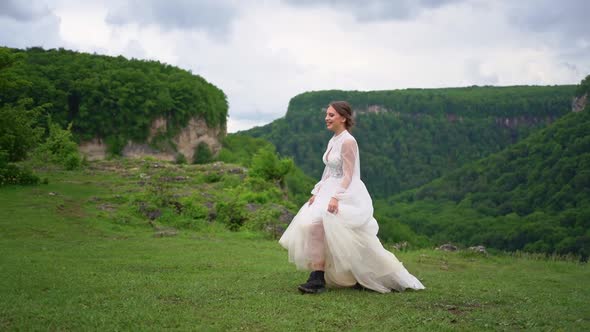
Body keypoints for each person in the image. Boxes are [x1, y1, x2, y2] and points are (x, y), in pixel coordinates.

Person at [279, 101, 425, 294]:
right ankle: (318, 276)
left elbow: (348, 174)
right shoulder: (333, 139)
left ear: (343, 117)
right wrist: (317, 192)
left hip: (345, 191)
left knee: (348, 233)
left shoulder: (348, 141)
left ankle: (359, 274)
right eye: (327, 114)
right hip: (328, 189)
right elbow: (330, 171)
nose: (326, 118)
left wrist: (336, 197)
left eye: (331, 115)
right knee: (311, 225)